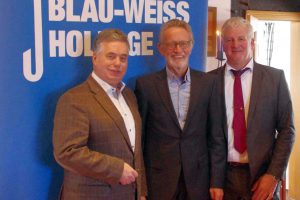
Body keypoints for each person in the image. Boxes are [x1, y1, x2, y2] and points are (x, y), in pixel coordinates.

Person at [135, 19, 226, 200]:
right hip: (159, 181)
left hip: (199, 181)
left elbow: (216, 136)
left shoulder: (209, 83)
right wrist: (142, 186)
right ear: (161, 48)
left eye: (183, 43)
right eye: (171, 44)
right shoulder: (145, 86)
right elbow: (141, 140)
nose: (178, 50)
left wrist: (217, 181)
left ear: (191, 46)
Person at [53, 29, 147, 200]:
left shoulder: (129, 96)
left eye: (123, 58)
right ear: (95, 58)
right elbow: (67, 152)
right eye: (111, 56)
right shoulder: (74, 99)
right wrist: (116, 169)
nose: (118, 63)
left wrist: (140, 191)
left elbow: (135, 150)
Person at [209, 17, 295, 200]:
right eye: (229, 39)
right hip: (223, 181)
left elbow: (287, 130)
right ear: (223, 45)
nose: (235, 44)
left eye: (241, 39)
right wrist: (213, 180)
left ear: (252, 42)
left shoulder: (274, 79)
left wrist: (273, 175)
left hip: (262, 178)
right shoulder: (209, 81)